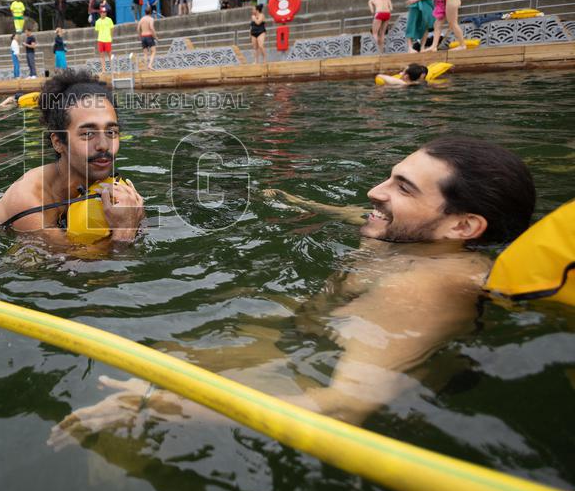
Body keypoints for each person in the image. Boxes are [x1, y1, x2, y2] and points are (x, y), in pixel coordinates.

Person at [51, 138, 535, 438]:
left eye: (403, 188)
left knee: (120, 429)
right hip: (309, 339)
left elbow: (341, 409)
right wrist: (290, 198)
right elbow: (353, 216)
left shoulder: (423, 288)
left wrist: (163, 405)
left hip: (320, 375)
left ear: (463, 226)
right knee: (156, 359)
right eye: (390, 177)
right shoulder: (407, 236)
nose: (375, 192)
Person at [0, 68, 145, 244]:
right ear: (58, 142)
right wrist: (125, 231)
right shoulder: (29, 200)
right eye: (87, 134)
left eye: (111, 132)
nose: (103, 145)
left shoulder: (106, 183)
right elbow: (74, 265)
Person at [137, 5, 158, 70]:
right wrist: (155, 37)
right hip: (149, 36)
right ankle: (150, 65)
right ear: (151, 12)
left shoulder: (141, 19)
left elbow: (138, 28)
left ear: (145, 12)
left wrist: (139, 36)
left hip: (143, 36)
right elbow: (151, 28)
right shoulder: (151, 19)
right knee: (153, 51)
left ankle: (145, 67)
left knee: (145, 53)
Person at [94, 7, 115, 73]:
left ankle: (112, 69)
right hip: (100, 40)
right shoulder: (97, 21)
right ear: (100, 13)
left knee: (110, 55)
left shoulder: (109, 20)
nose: (104, 13)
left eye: (105, 12)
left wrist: (110, 37)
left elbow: (112, 29)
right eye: (102, 12)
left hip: (107, 39)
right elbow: (97, 31)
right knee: (102, 55)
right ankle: (103, 70)